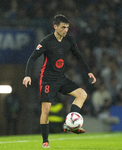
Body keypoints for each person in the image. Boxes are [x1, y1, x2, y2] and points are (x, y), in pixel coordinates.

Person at [22, 14, 96, 148]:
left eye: (67, 27)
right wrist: (27, 75)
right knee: (46, 110)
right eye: (63, 27)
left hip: (61, 78)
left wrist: (89, 71)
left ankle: (70, 123)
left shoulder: (69, 40)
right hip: (47, 80)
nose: (65, 30)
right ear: (55, 27)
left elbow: (78, 55)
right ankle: (45, 141)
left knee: (82, 94)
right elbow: (32, 58)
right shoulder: (47, 41)